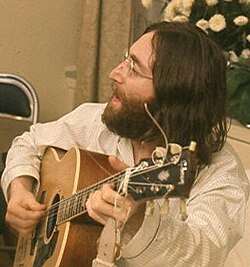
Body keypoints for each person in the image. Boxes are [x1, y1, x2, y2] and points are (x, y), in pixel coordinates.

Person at [1, 21, 249, 266]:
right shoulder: (96, 120)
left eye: (134, 68)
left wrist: (139, 222)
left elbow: (203, 253)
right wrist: (20, 189)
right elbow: (29, 142)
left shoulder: (220, 171)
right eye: (125, 59)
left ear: (172, 97)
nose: (114, 73)